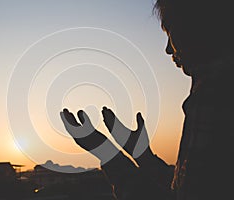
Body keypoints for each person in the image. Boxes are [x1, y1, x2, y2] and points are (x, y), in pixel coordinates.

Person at [61, 0, 234, 199]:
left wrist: (104, 150)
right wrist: (142, 155)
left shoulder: (213, 94)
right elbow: (186, 187)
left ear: (195, 29)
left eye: (171, 35)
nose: (168, 50)